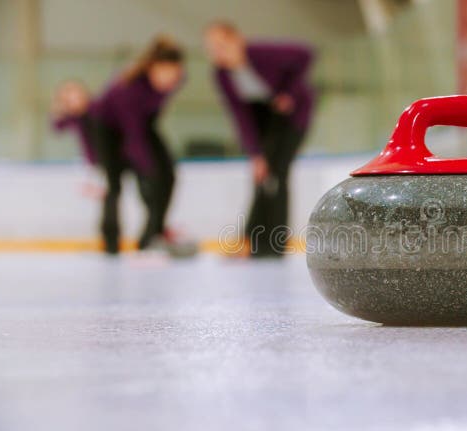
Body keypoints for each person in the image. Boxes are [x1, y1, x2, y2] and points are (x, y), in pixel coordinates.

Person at [204, 21, 315, 257]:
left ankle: (276, 244)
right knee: (261, 174)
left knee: (278, 173)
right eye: (212, 48)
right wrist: (255, 154)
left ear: (237, 40)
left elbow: (306, 54)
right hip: (263, 119)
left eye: (222, 45)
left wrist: (289, 92)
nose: (218, 53)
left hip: (292, 117)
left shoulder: (261, 53)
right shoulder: (222, 74)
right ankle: (252, 241)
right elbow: (240, 116)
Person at [88, 36, 187, 255]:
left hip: (145, 122)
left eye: (174, 74)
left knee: (168, 175)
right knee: (114, 184)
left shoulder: (179, 79)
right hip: (108, 128)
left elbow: (148, 119)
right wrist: (146, 171)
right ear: (152, 68)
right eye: (164, 74)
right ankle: (111, 243)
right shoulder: (129, 87)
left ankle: (153, 234)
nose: (170, 80)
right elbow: (133, 135)